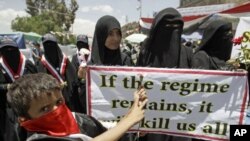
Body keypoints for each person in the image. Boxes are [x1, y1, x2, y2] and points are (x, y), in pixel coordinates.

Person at [6, 73, 148, 141]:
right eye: (44, 109)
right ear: (24, 120)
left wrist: (132, 118)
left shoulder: (76, 118)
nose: (56, 110)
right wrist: (129, 120)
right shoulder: (36, 138)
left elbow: (107, 131)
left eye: (59, 102)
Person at [136, 7, 193, 141]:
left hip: (179, 126)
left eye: (176, 26)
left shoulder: (188, 53)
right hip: (151, 126)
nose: (172, 30)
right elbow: (136, 88)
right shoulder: (146, 54)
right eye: (167, 25)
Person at [0, 38, 38, 141]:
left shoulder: (28, 65)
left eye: (12, 50)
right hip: (8, 109)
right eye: (5, 50)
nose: (9, 53)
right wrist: (6, 87)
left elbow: (38, 82)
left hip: (29, 107)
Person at [37, 33, 83, 113]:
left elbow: (73, 79)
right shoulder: (42, 64)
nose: (49, 47)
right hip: (51, 103)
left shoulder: (65, 61)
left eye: (51, 44)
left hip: (68, 101)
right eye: (46, 45)